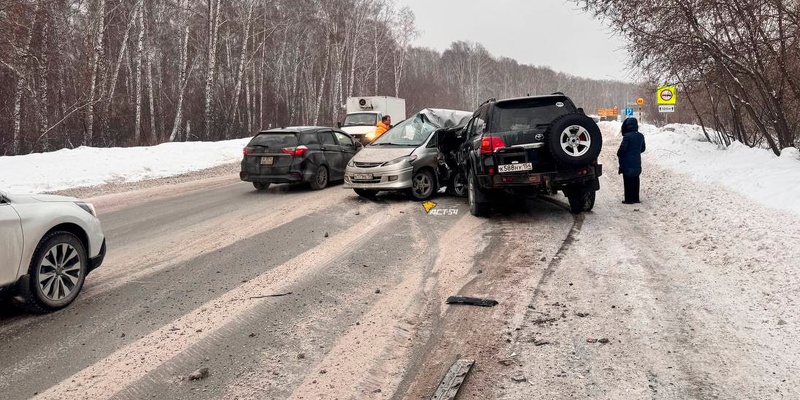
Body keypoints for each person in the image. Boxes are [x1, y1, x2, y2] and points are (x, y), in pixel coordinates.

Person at [617, 117, 646, 204]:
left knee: (628, 180)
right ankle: (636, 198)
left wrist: (619, 154)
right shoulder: (641, 136)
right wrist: (636, 152)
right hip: (637, 161)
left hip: (627, 162)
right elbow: (643, 148)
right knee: (636, 179)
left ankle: (629, 199)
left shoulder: (627, 136)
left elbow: (623, 149)